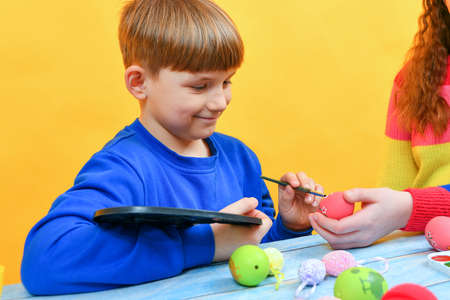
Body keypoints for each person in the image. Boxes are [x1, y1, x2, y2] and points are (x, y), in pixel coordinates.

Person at [20, 0, 322, 295]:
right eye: (200, 86)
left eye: (227, 82)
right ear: (139, 83)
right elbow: (44, 261)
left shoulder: (240, 158)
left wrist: (290, 227)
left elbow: (254, 254)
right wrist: (206, 244)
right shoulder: (123, 167)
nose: (220, 102)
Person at [309, 0, 450, 249]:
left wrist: (408, 208)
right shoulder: (413, 79)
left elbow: (402, 204)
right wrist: (370, 221)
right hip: (423, 250)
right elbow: (395, 187)